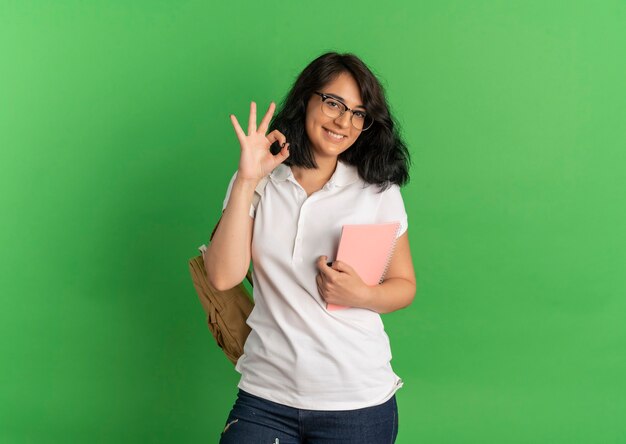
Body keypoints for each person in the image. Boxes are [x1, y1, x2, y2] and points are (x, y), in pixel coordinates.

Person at [205, 51, 416, 443]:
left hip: (357, 402)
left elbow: (405, 285)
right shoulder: (261, 178)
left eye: (358, 113)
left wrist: (363, 294)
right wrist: (247, 180)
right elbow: (222, 275)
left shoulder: (376, 188)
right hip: (265, 397)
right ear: (306, 99)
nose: (343, 122)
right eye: (333, 103)